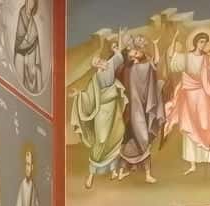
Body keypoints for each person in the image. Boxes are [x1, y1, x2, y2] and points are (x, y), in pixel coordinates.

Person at [69, 36, 128, 188]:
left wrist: (116, 50)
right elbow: (88, 96)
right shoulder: (95, 79)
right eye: (97, 62)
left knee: (115, 137)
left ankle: (113, 170)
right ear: (95, 67)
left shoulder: (110, 65)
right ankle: (91, 175)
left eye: (100, 60)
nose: (100, 62)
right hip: (101, 112)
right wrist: (78, 95)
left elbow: (119, 58)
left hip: (113, 109)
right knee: (101, 140)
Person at [165, 29, 210, 177]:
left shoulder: (208, 59)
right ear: (196, 42)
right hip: (189, 96)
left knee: (206, 126)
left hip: (204, 95)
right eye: (201, 42)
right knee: (191, 127)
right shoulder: (187, 57)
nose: (203, 45)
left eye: (205, 42)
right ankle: (192, 164)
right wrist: (174, 39)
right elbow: (172, 60)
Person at [118, 35, 165, 184]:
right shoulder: (128, 69)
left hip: (143, 109)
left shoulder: (145, 66)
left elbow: (156, 62)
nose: (136, 53)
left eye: (138, 51)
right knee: (138, 140)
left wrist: (155, 45)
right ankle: (130, 172)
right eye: (134, 52)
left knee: (142, 140)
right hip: (132, 111)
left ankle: (145, 174)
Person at [13, 0, 43, 94]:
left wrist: (30, 43)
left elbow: (35, 41)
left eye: (33, 2)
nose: (31, 4)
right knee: (18, 65)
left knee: (34, 71)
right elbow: (19, 37)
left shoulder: (33, 23)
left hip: (31, 52)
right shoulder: (21, 15)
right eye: (30, 1)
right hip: (20, 51)